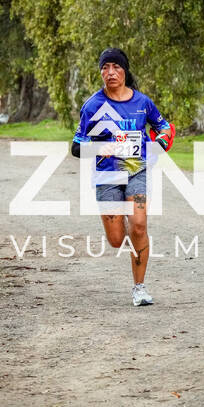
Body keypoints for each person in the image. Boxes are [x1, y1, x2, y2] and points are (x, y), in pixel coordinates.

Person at [72, 48, 174, 307]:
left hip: (137, 169)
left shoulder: (142, 102)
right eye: (105, 67)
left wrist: (160, 143)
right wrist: (98, 148)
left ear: (125, 71)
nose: (110, 72)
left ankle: (139, 288)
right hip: (107, 176)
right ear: (101, 72)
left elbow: (163, 126)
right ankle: (129, 233)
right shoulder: (92, 106)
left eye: (116, 67)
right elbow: (76, 147)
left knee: (139, 225)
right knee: (117, 240)